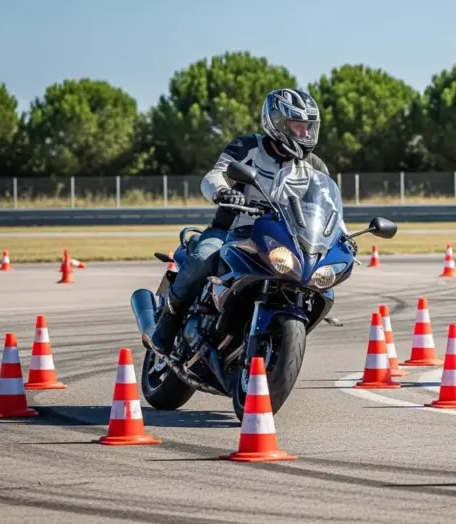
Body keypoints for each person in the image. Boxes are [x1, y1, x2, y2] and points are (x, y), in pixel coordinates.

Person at [143, 88, 357, 356]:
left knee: (315, 283)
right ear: (277, 123)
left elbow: (329, 210)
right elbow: (214, 176)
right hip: (232, 231)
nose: (305, 133)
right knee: (202, 258)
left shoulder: (314, 166)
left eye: (308, 127)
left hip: (279, 237)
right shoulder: (247, 147)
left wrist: (344, 237)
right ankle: (166, 325)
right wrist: (222, 191)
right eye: (297, 126)